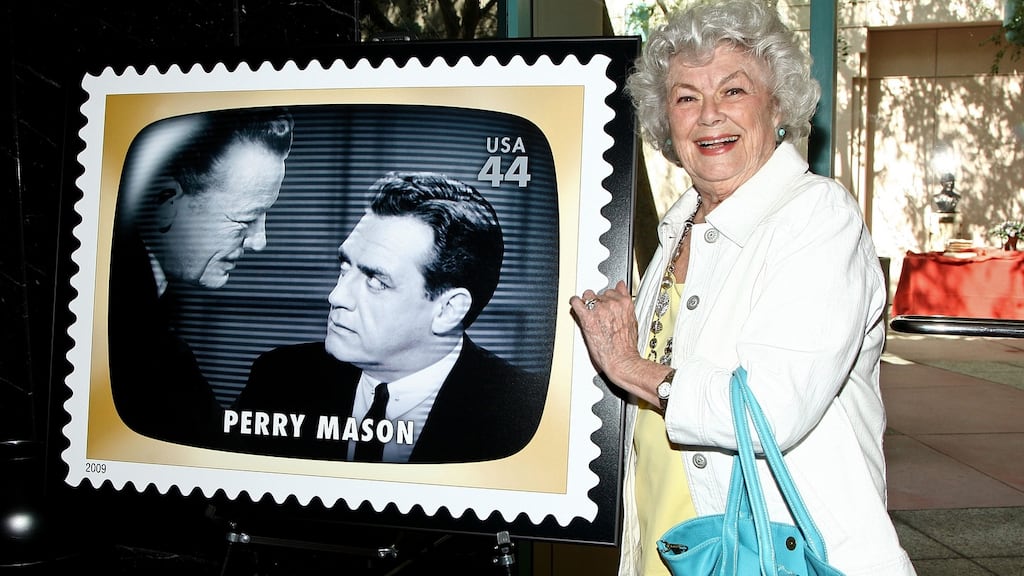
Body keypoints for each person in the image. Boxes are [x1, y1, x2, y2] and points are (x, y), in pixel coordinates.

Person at [568, 1, 916, 575]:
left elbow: (769, 411)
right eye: (686, 97)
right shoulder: (680, 223)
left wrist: (627, 364)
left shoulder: (816, 216)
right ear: (665, 121)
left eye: (733, 92)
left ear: (777, 105)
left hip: (780, 555)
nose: (709, 116)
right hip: (671, 546)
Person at [231, 171, 548, 464]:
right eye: (345, 268)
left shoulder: (524, 414)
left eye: (377, 281)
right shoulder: (279, 379)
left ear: (448, 310)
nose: (336, 296)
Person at [108, 106, 295, 446]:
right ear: (166, 202)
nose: (260, 242)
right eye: (245, 218)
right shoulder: (125, 330)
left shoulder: (146, 298)